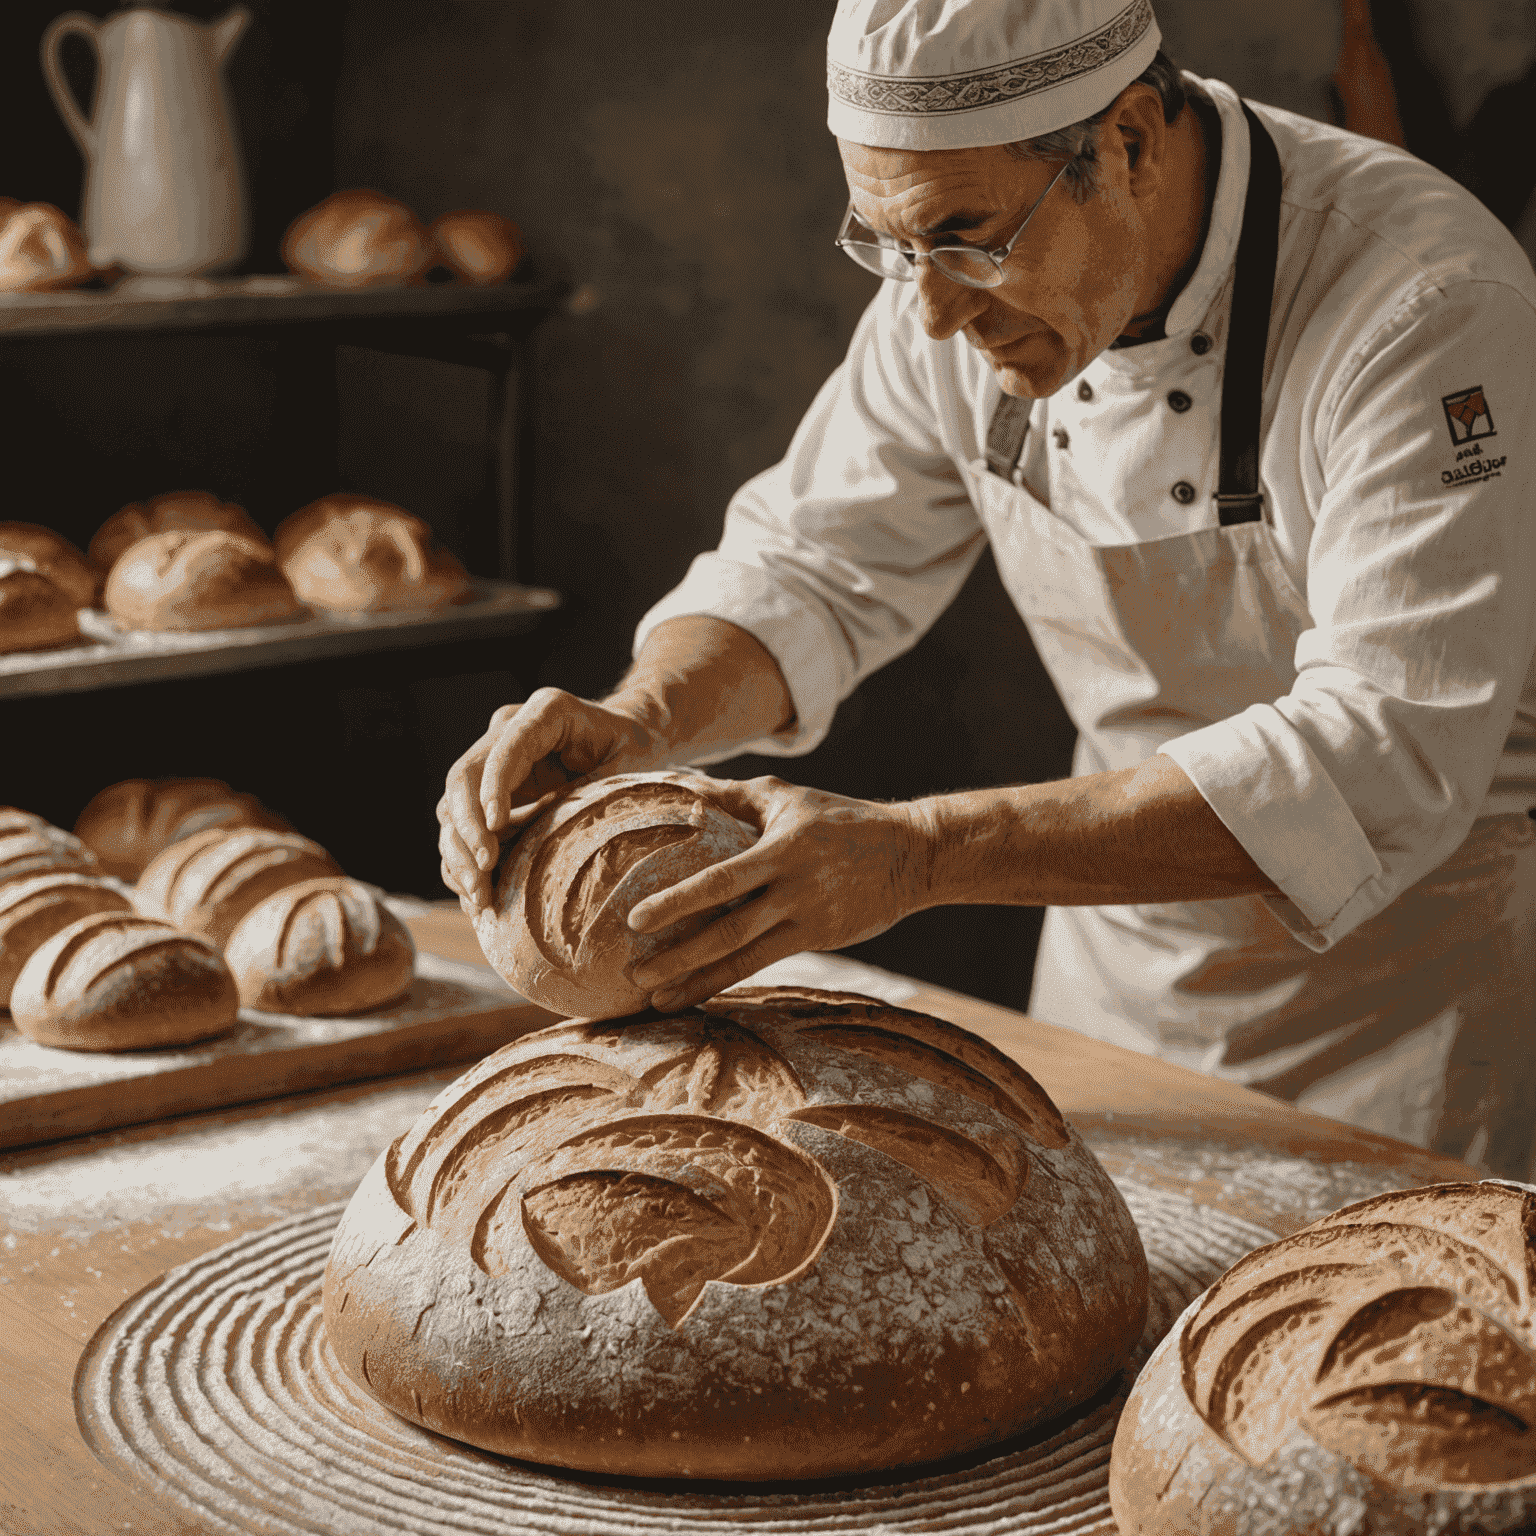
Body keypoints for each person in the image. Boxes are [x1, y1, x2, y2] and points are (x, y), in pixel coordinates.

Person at [439, 0, 1536, 1180]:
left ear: (1126, 141)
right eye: (884, 243)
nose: (929, 312)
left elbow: (1382, 752)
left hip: (1412, 1002)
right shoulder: (948, 271)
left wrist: (919, 854)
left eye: (968, 239)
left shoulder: (1423, 303)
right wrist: (648, 721)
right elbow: (813, 563)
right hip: (1115, 973)